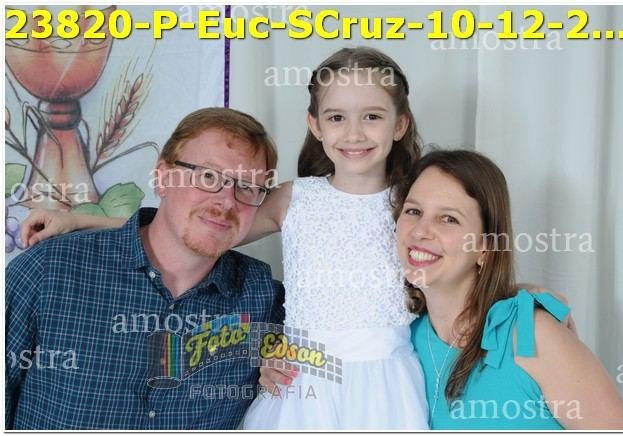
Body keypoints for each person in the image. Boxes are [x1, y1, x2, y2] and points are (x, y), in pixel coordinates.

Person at [20, 47, 430, 429]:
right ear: (315, 125)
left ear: (400, 124)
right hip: (303, 383)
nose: (354, 133)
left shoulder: (415, 203)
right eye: (337, 117)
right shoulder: (295, 199)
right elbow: (190, 228)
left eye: (372, 116)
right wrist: (78, 220)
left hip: (385, 381)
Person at [5, 108, 285, 429]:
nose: (227, 201)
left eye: (247, 186)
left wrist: (282, 366)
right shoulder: (48, 272)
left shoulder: (263, 298)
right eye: (208, 176)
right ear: (163, 178)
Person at [392, 149, 623, 429]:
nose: (420, 231)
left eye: (449, 218)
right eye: (413, 211)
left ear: (486, 247)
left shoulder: (533, 335)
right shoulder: (402, 338)